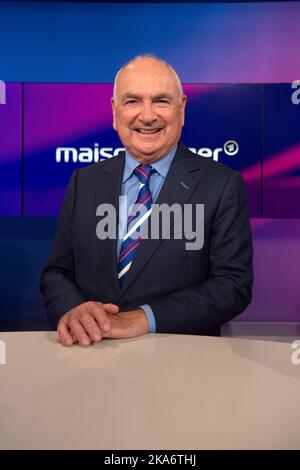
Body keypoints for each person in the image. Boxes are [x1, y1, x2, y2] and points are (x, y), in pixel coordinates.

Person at [40, 54, 253, 346]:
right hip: (91, 358)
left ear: (182, 109)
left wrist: (141, 319)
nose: (148, 115)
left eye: (161, 101)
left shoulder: (222, 185)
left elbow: (232, 285)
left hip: (180, 365)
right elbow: (57, 272)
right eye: (132, 101)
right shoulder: (84, 181)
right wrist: (74, 312)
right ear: (115, 112)